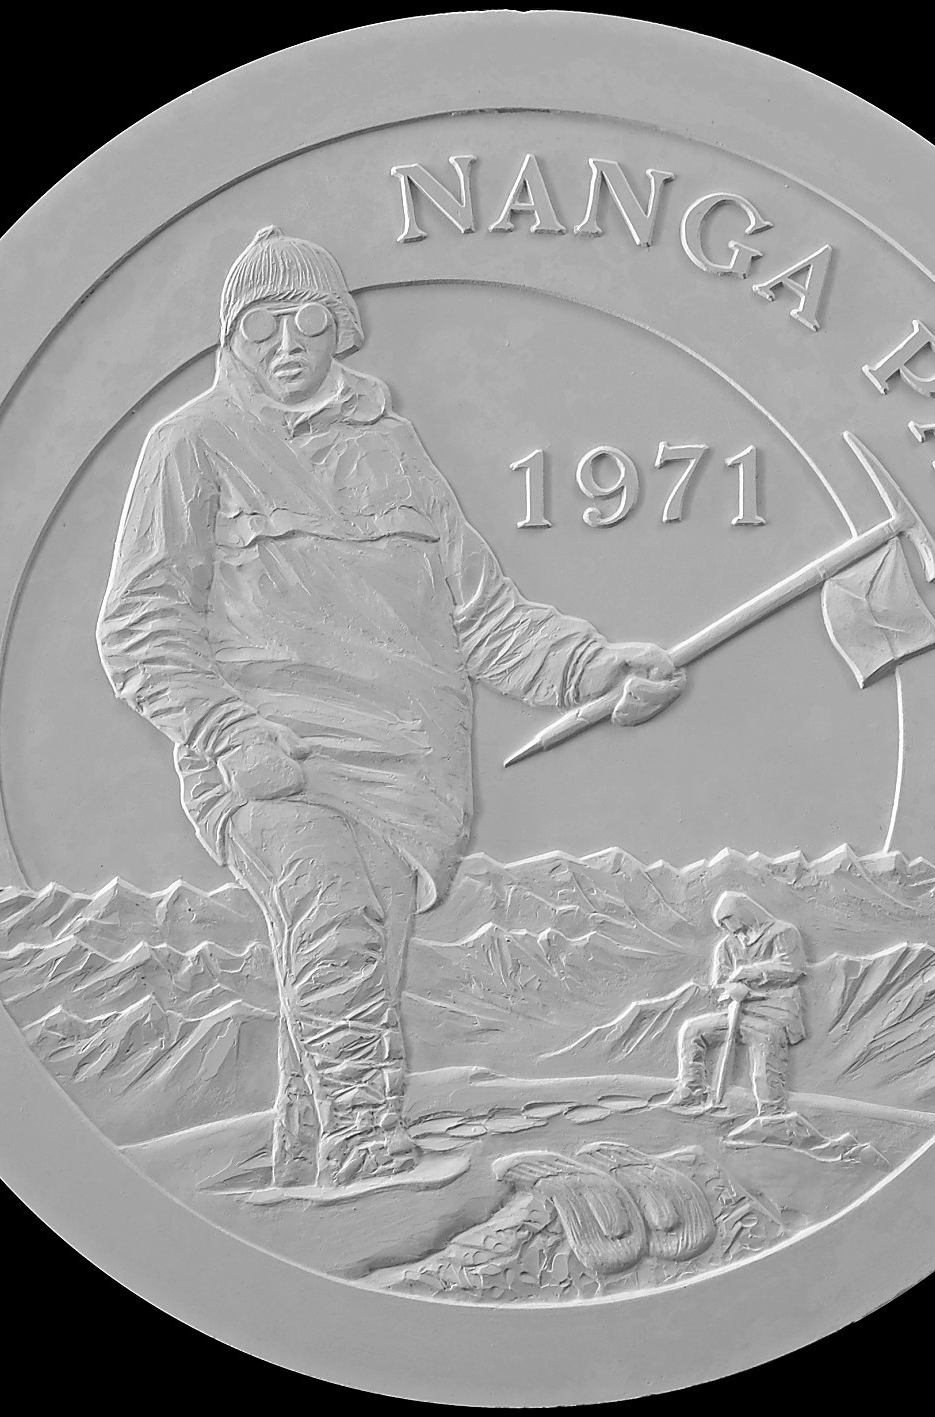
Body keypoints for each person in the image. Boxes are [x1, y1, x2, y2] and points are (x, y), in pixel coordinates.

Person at [97, 227, 685, 1192]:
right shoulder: (191, 444)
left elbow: (481, 613)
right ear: (231, 336)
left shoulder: (394, 447)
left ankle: (308, 1178)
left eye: (307, 317)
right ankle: (366, 1145)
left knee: (351, 968)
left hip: (406, 776)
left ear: (341, 325)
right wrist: (224, 730)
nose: (286, 342)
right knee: (335, 928)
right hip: (273, 759)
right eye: (260, 324)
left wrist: (592, 666)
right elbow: (139, 622)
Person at [669, 892, 806, 1125]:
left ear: (740, 913)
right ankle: (691, 1092)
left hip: (774, 1013)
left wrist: (753, 973)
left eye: (727, 921)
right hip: (736, 1012)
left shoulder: (782, 933)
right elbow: (719, 983)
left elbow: (793, 968)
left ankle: (772, 1113)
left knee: (766, 1039)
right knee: (692, 1030)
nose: (726, 929)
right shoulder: (728, 945)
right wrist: (732, 990)